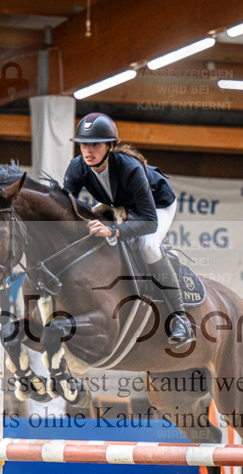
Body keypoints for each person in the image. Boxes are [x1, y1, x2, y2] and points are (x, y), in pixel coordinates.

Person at [63, 112, 195, 346]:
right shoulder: (76, 168)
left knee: (148, 245)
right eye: (84, 144)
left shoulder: (130, 169)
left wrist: (113, 231)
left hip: (157, 205)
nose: (88, 151)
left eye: (95, 144)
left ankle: (181, 319)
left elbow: (149, 221)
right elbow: (66, 208)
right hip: (121, 204)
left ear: (110, 146)